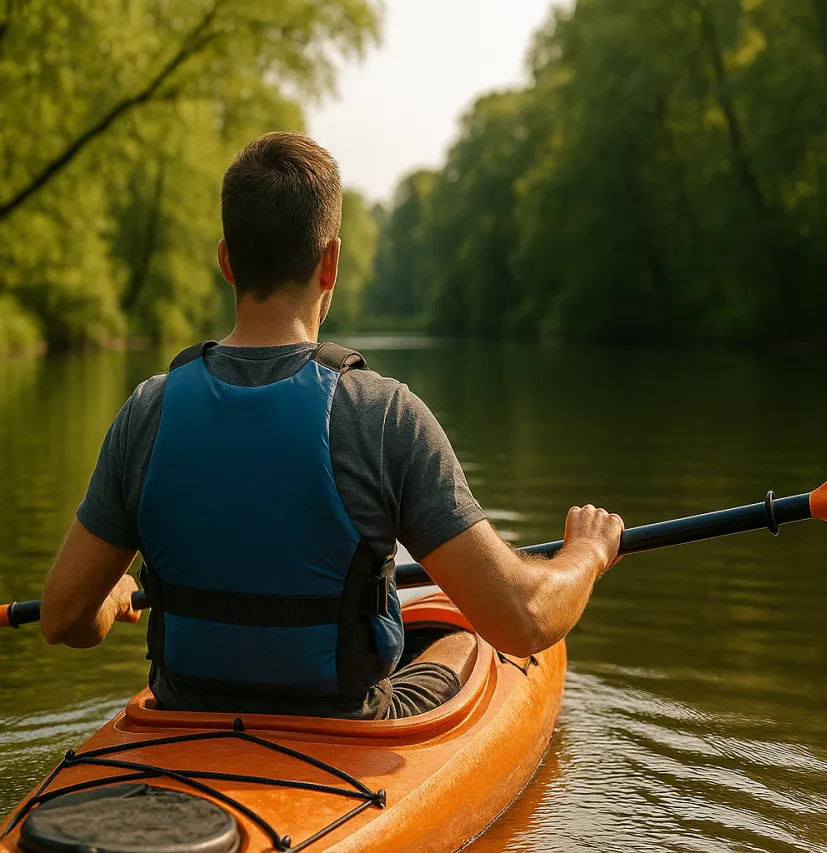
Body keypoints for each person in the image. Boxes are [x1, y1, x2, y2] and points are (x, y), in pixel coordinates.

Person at [38, 132, 624, 720]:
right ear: (331, 263)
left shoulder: (147, 411)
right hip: (343, 729)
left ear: (226, 261)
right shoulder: (383, 415)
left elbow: (64, 619)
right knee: (468, 641)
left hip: (183, 717)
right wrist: (585, 554)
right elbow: (524, 621)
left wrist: (105, 603)